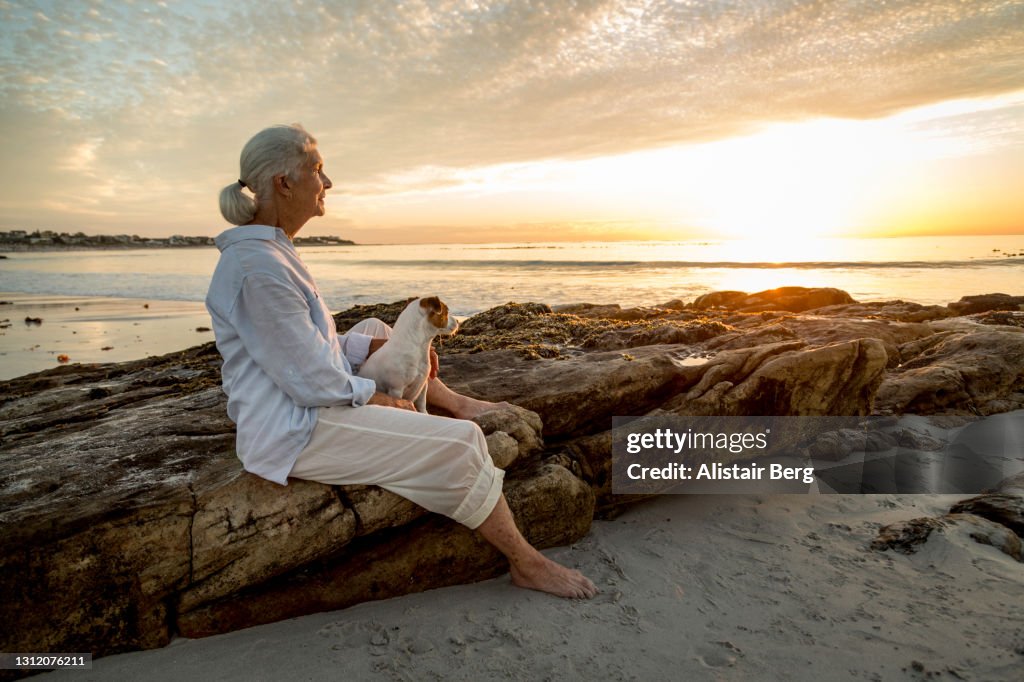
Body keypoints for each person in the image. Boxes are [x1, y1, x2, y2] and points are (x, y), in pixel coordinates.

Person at [207, 123, 596, 599]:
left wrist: (363, 351)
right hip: (293, 428)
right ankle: (526, 562)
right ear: (283, 183)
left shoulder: (272, 252)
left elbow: (305, 344)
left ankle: (452, 399)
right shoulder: (257, 269)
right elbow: (308, 379)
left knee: (376, 330)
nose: (327, 183)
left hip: (304, 395)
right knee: (462, 442)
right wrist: (379, 400)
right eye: (317, 170)